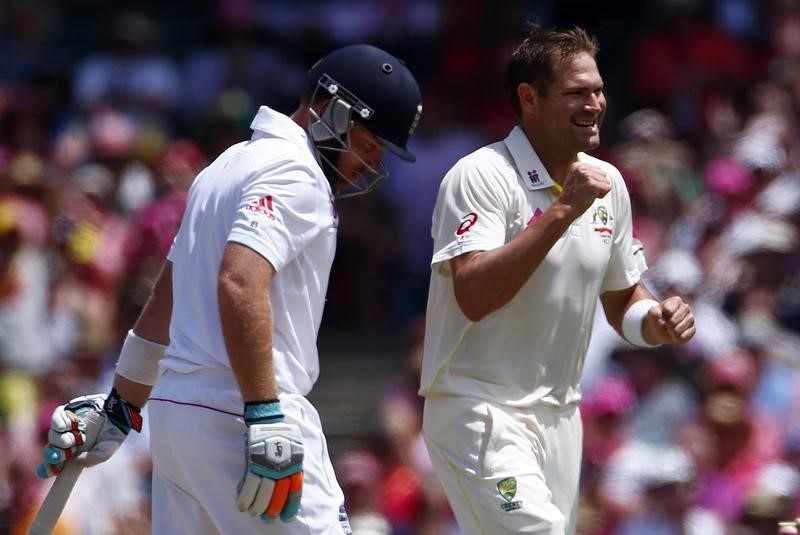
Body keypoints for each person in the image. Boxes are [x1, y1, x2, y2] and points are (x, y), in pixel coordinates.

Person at [36, 43, 423, 534]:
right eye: (369, 144)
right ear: (333, 110)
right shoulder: (294, 170)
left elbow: (164, 301)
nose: (368, 165)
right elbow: (239, 282)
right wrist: (263, 412)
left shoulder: (226, 165)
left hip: (178, 417)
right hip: (240, 413)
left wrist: (122, 405)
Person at [418, 23, 696, 535]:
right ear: (529, 98)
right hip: (480, 407)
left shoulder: (607, 183)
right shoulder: (481, 175)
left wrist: (654, 321)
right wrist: (564, 209)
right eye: (575, 93)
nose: (594, 104)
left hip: (561, 419)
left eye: (597, 90)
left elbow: (620, 297)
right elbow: (475, 294)